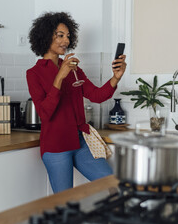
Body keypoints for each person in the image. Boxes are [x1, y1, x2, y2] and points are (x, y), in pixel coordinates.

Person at [26, 11, 126, 193]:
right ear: (46, 36)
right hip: (56, 146)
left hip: (80, 142)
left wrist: (115, 78)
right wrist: (59, 77)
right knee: (65, 202)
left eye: (68, 36)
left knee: (113, 184)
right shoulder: (33, 73)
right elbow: (45, 113)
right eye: (60, 35)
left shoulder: (74, 69)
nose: (65, 41)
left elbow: (96, 95)